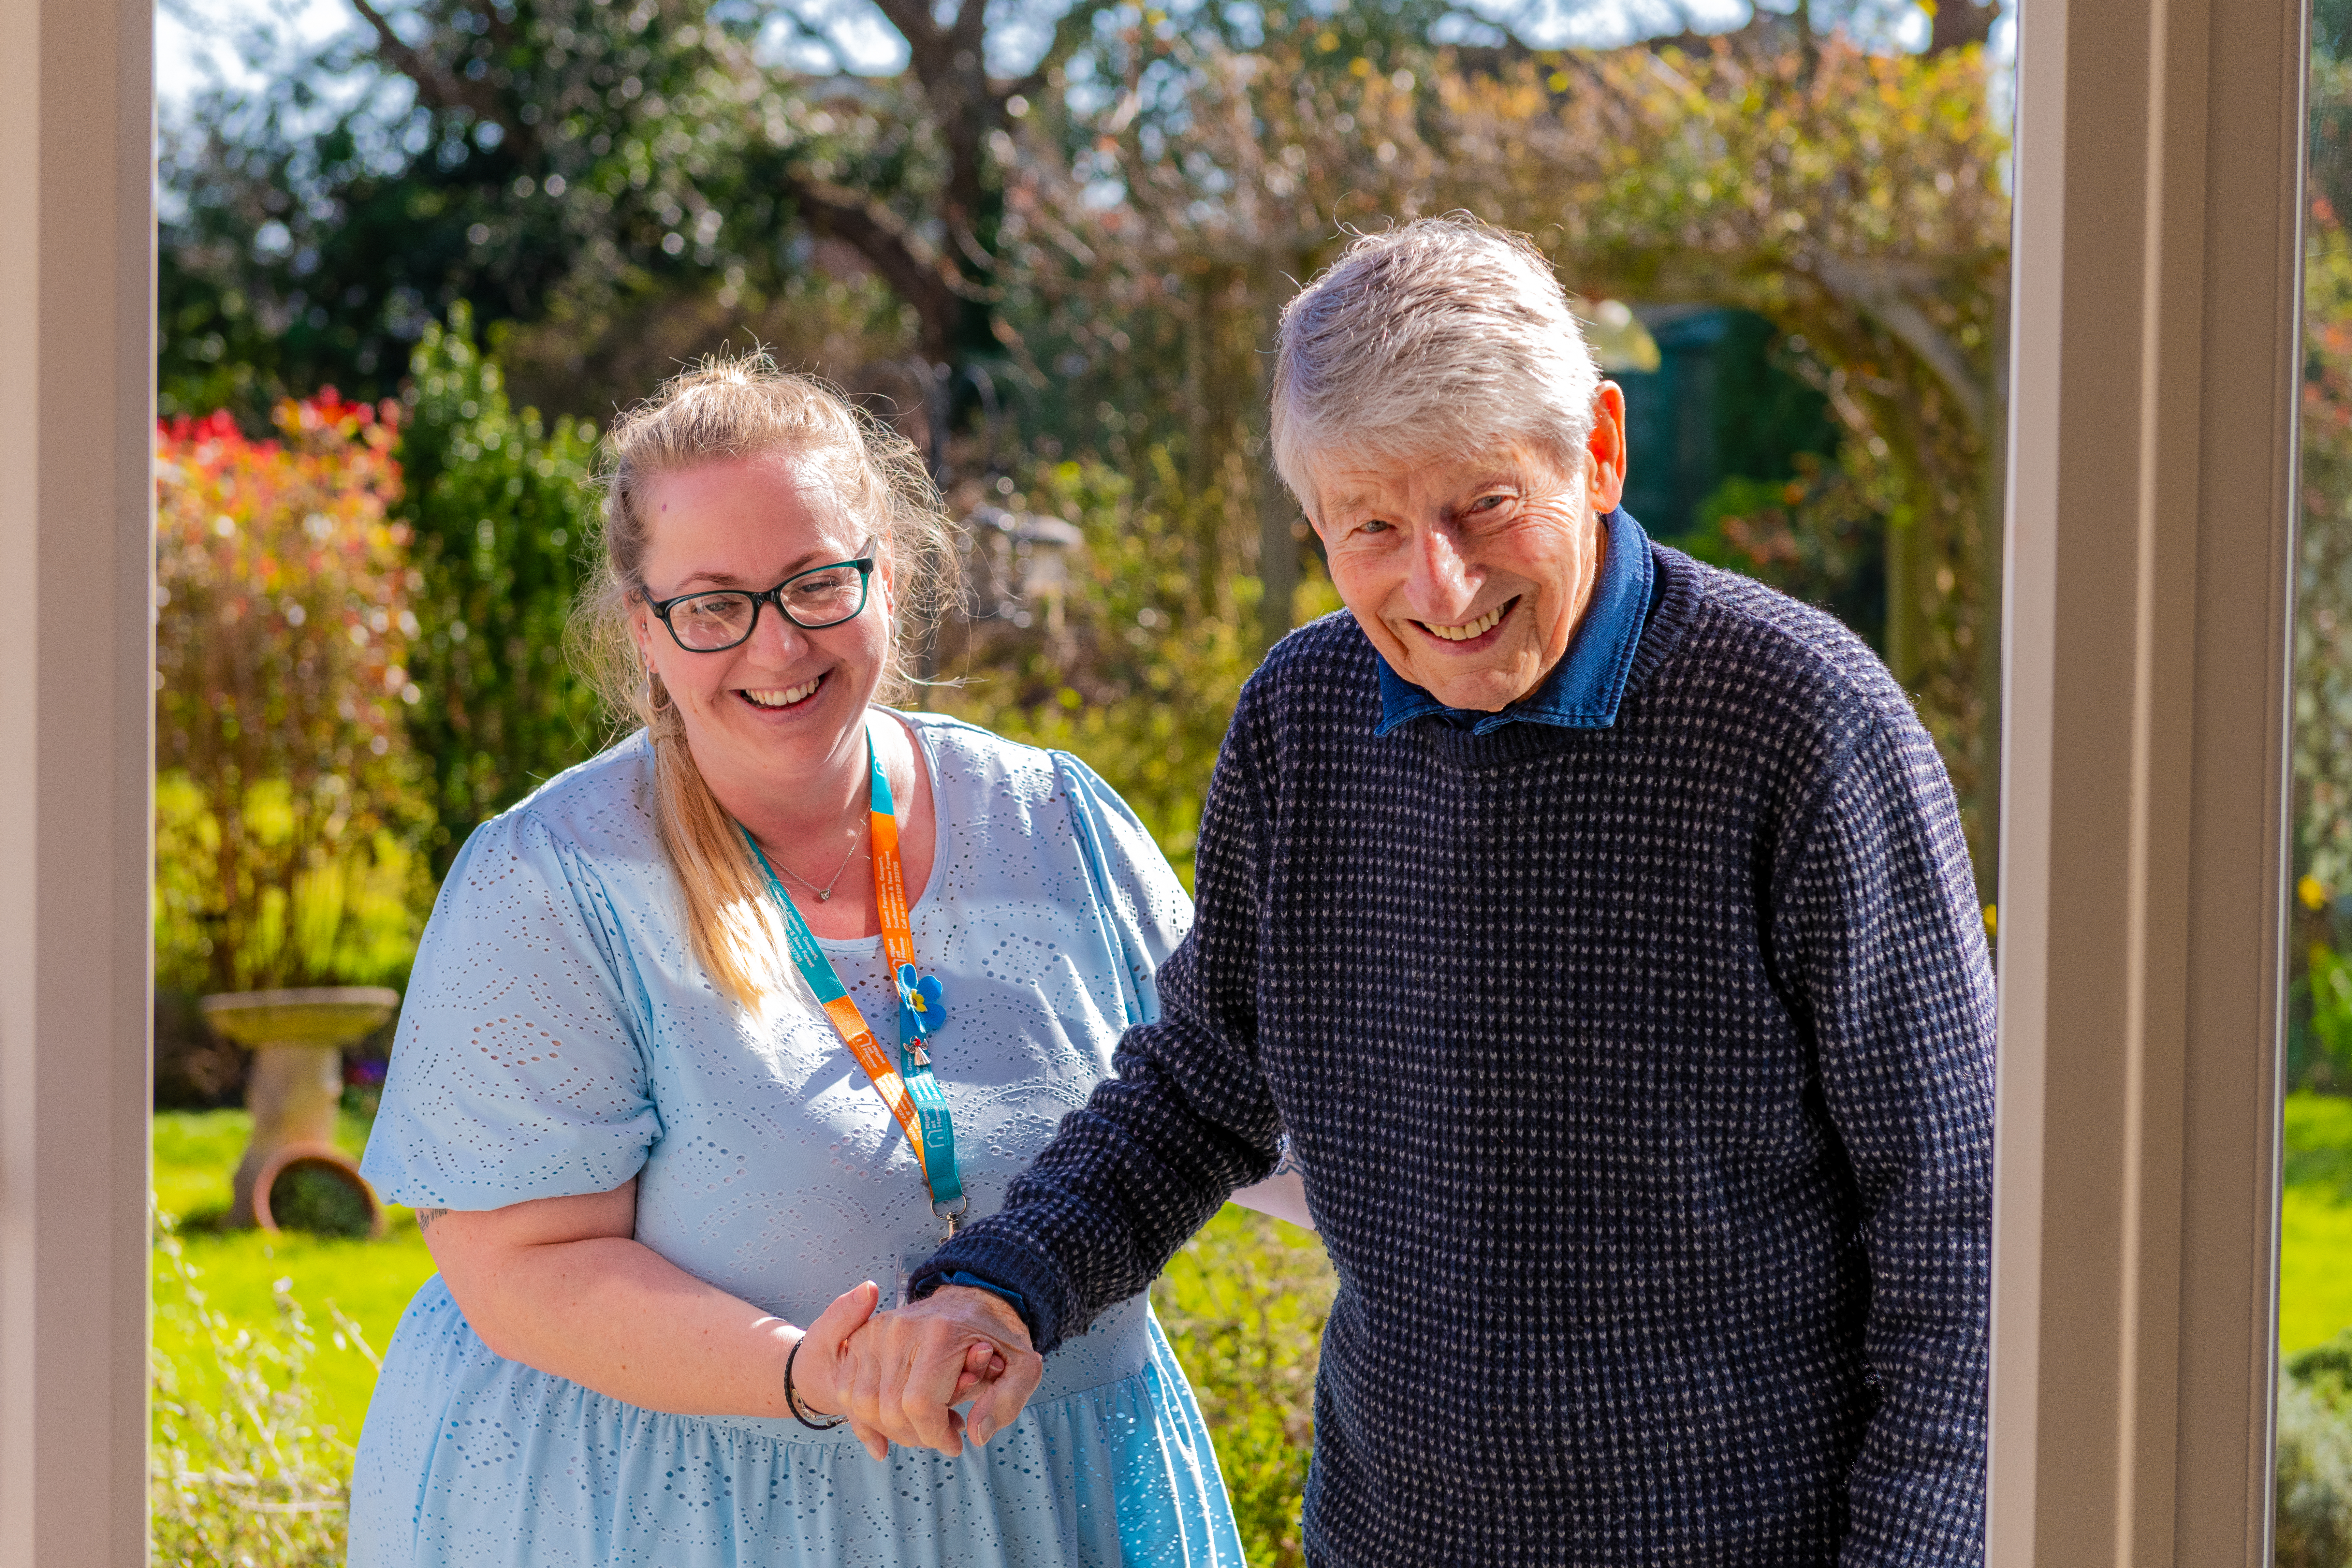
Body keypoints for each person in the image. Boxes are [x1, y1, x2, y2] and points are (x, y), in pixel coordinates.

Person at [857, 215, 1998, 1566]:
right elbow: (1201, 1088)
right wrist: (1007, 1283)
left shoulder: (1800, 721)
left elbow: (1956, 1217)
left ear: (1598, 450)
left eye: (1483, 507)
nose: (1437, 585)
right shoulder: (1302, 715)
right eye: (1373, 528)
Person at [345, 356, 1261, 1566]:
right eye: (712, 605)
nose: (776, 644)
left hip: (1059, 1497)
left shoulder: (1055, 819)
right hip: (695, 1517)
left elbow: (1239, 1094)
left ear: (890, 575)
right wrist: (824, 1372)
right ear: (644, 627)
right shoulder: (551, 881)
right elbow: (522, 1267)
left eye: (818, 583)